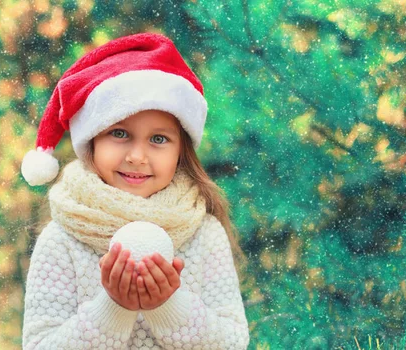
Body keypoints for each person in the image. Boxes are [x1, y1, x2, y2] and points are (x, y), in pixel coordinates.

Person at [20, 32, 250, 350]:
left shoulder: (203, 233)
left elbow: (232, 343)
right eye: (120, 133)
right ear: (92, 142)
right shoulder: (62, 240)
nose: (137, 156)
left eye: (158, 139)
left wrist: (168, 305)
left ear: (181, 151)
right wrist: (113, 308)